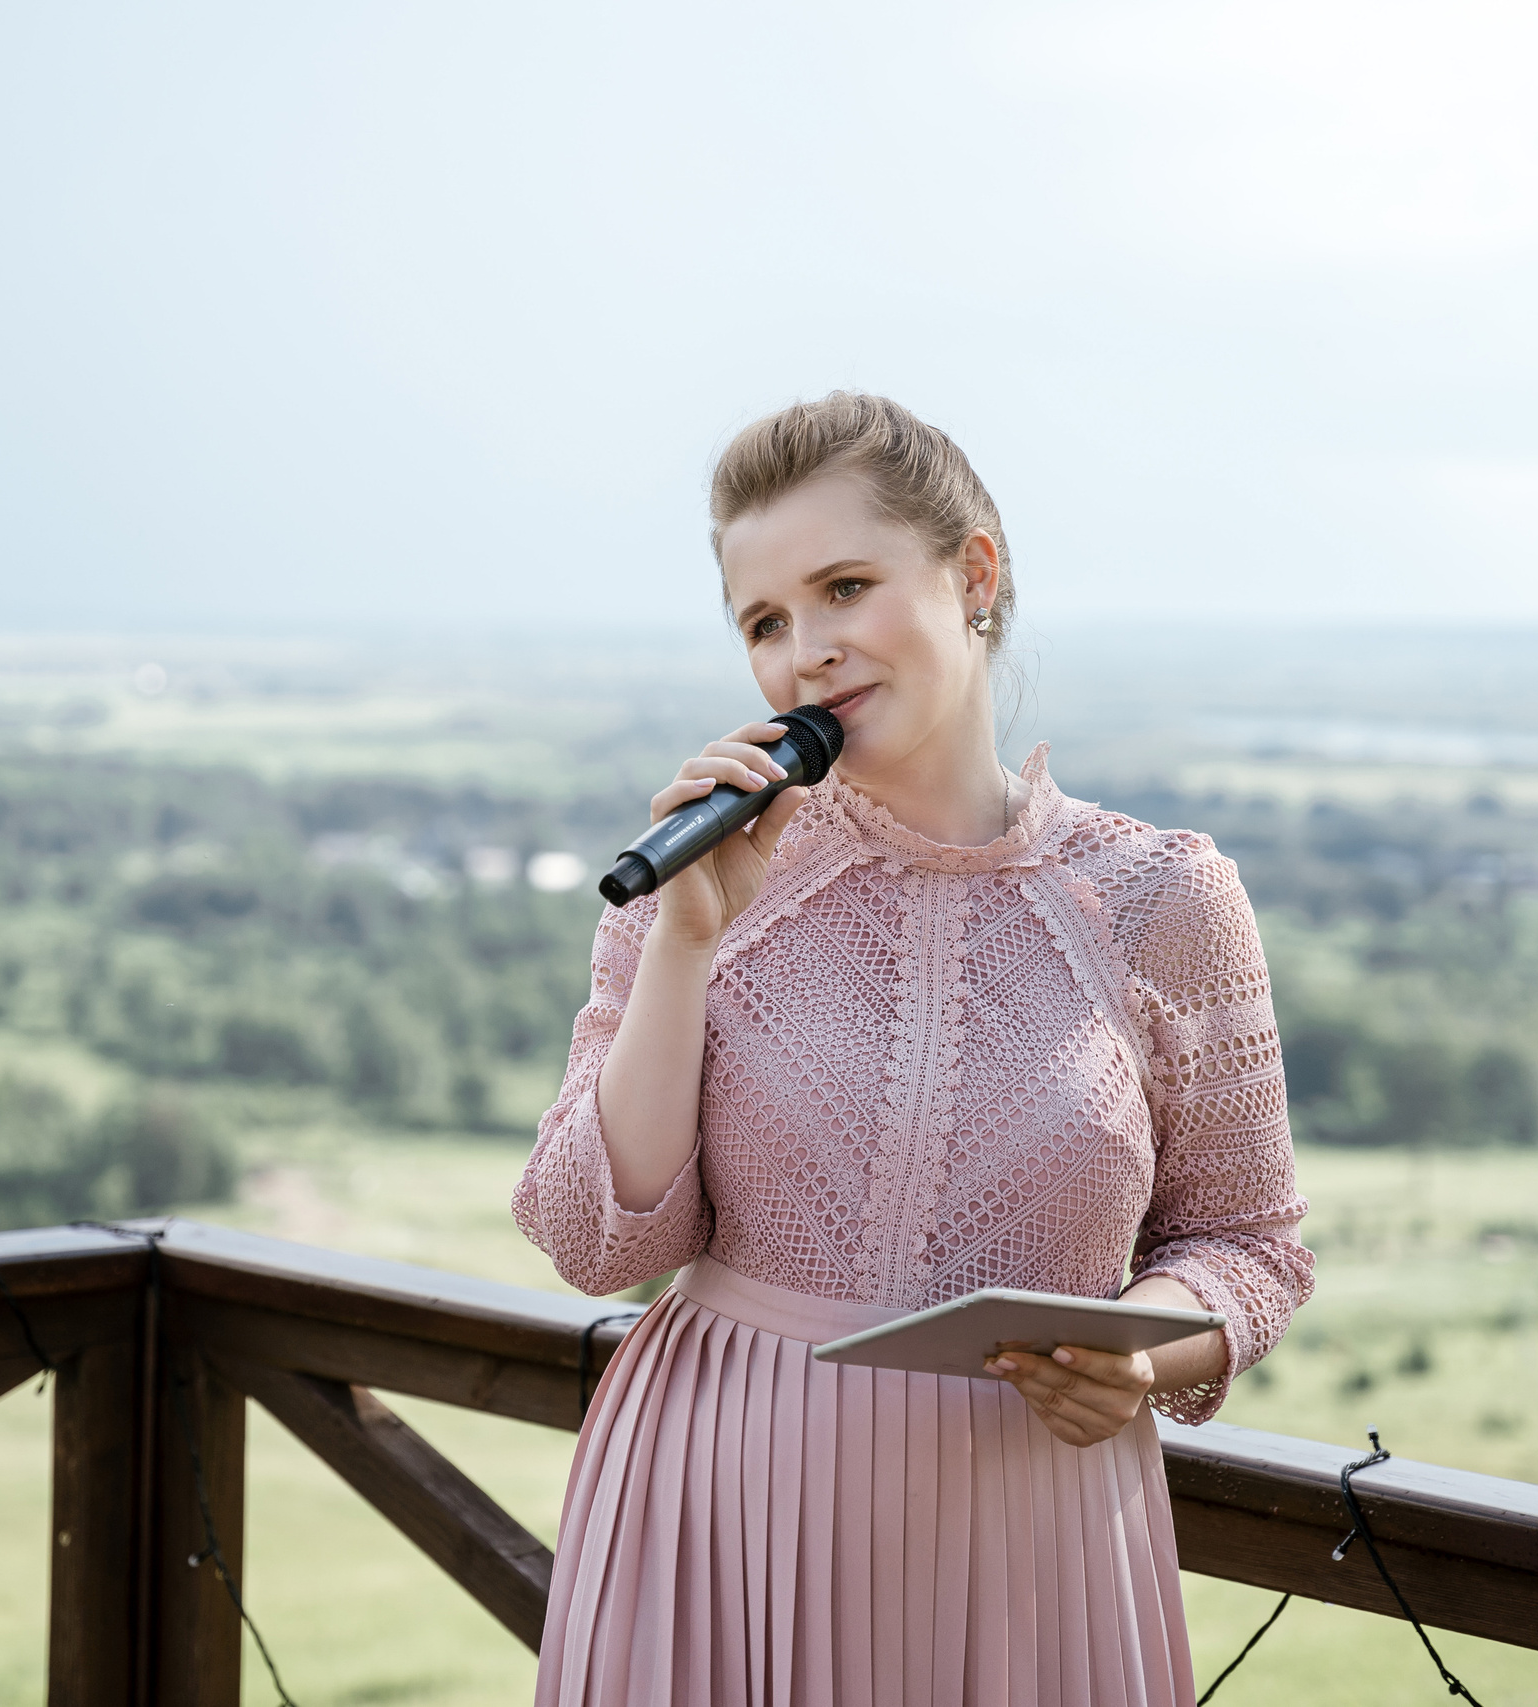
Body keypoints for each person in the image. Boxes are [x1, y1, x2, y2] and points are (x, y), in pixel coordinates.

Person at [512, 392, 1314, 1706]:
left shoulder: (1164, 899)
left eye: (844, 588)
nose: (807, 652)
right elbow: (597, 1245)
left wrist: (1138, 1358)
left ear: (974, 576)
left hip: (1031, 1537)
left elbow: (1249, 1243)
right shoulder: (697, 883)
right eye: (765, 623)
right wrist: (684, 941)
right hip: (719, 1516)